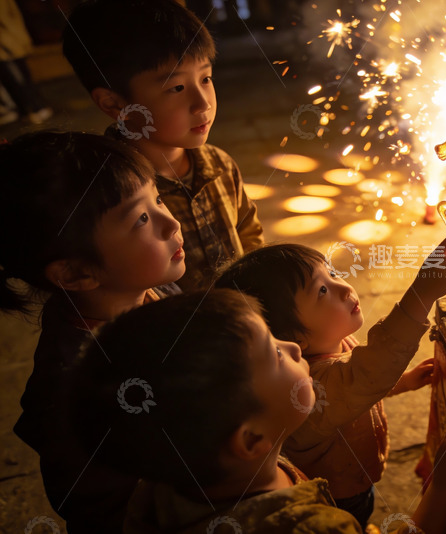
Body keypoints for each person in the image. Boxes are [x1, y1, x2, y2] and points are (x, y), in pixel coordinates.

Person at [67, 289, 446, 534]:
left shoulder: (163, 485)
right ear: (250, 439)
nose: (292, 346)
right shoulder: (313, 528)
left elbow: (340, 396)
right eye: (274, 353)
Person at [214, 227, 446, 528]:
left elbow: (358, 388)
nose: (344, 288)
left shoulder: (335, 342)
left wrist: (404, 381)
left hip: (355, 478)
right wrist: (422, 293)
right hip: (338, 496)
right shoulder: (305, 387)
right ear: (294, 338)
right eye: (322, 291)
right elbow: (364, 375)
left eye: (332, 274)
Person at [0, 131, 186, 533]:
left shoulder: (146, 289)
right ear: (76, 272)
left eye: (157, 199)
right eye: (141, 218)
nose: (171, 223)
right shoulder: (81, 391)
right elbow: (101, 506)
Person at [62, 0, 264, 292]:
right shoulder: (111, 197)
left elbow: (249, 235)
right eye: (176, 88)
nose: (203, 103)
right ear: (114, 103)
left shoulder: (219, 164)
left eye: (206, 78)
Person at [0, 0, 53, 124]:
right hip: (8, 43)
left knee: (21, 76)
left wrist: (22, 38)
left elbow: (14, 17)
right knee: (11, 78)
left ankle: (36, 107)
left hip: (11, 41)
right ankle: (28, 109)